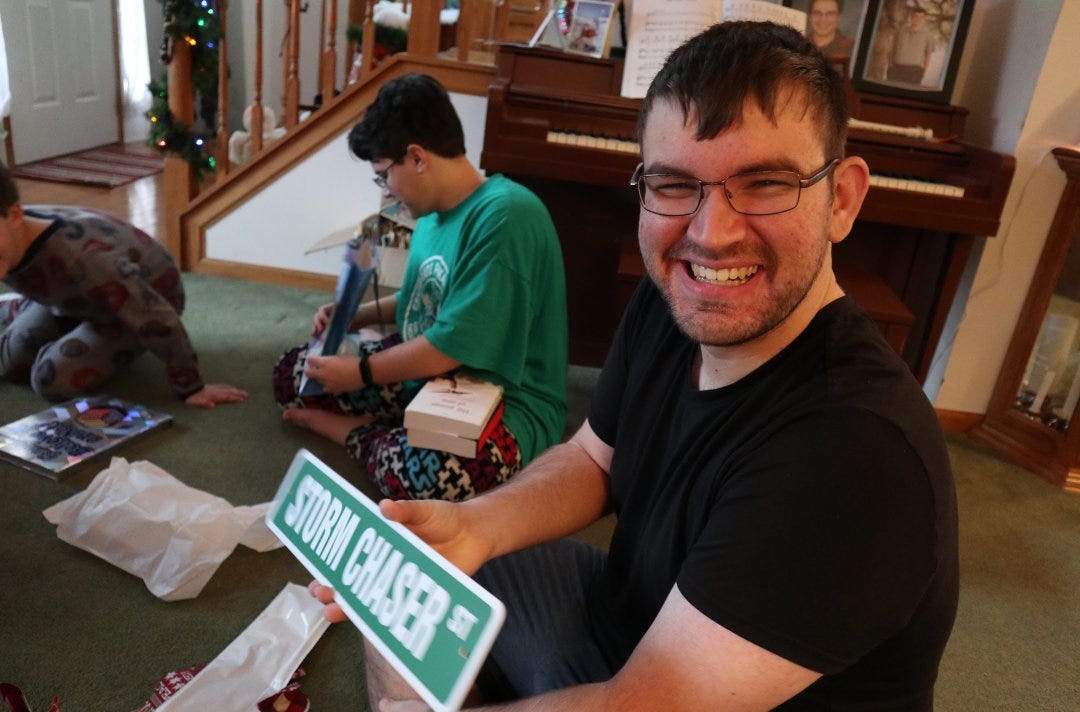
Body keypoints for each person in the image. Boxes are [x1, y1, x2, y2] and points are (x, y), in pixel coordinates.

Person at [312, 21, 958, 710]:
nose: (710, 235)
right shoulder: (676, 304)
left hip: (666, 693)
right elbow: (593, 459)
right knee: (401, 581)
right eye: (675, 184)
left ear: (846, 199)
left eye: (766, 182)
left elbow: (643, 703)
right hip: (630, 629)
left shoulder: (856, 453)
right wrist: (475, 526)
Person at [273, 73, 568, 503]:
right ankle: (393, 424)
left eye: (383, 175)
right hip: (432, 373)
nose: (387, 191)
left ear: (416, 158)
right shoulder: (430, 214)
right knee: (293, 375)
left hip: (503, 398)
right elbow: (419, 300)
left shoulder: (506, 216)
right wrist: (353, 316)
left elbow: (450, 347)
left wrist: (359, 374)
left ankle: (360, 434)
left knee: (433, 477)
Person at [0, 163, 248, 407]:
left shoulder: (86, 260)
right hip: (67, 296)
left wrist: (191, 385)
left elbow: (157, 318)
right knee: (10, 365)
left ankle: (31, 311)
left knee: (50, 381)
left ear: (15, 215)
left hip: (137, 307)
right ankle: (26, 307)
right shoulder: (11, 235)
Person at [888, 5, 935, 84]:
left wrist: (922, 72)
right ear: (911, 17)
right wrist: (890, 66)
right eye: (916, 16)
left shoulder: (928, 35)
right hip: (896, 69)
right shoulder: (900, 31)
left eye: (921, 17)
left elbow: (928, 55)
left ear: (924, 19)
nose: (918, 19)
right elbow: (892, 49)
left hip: (915, 72)